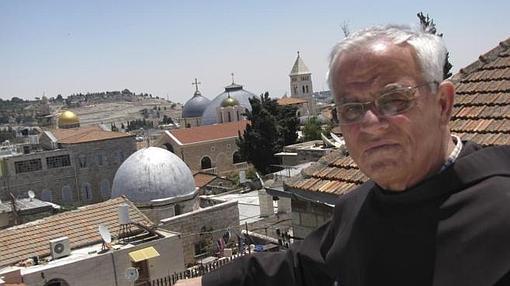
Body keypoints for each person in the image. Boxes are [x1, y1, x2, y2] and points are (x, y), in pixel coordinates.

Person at [176, 25, 510, 286]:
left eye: (394, 100)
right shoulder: (357, 207)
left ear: (443, 103)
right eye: (351, 108)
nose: (370, 123)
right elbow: (303, 270)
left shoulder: (500, 208)